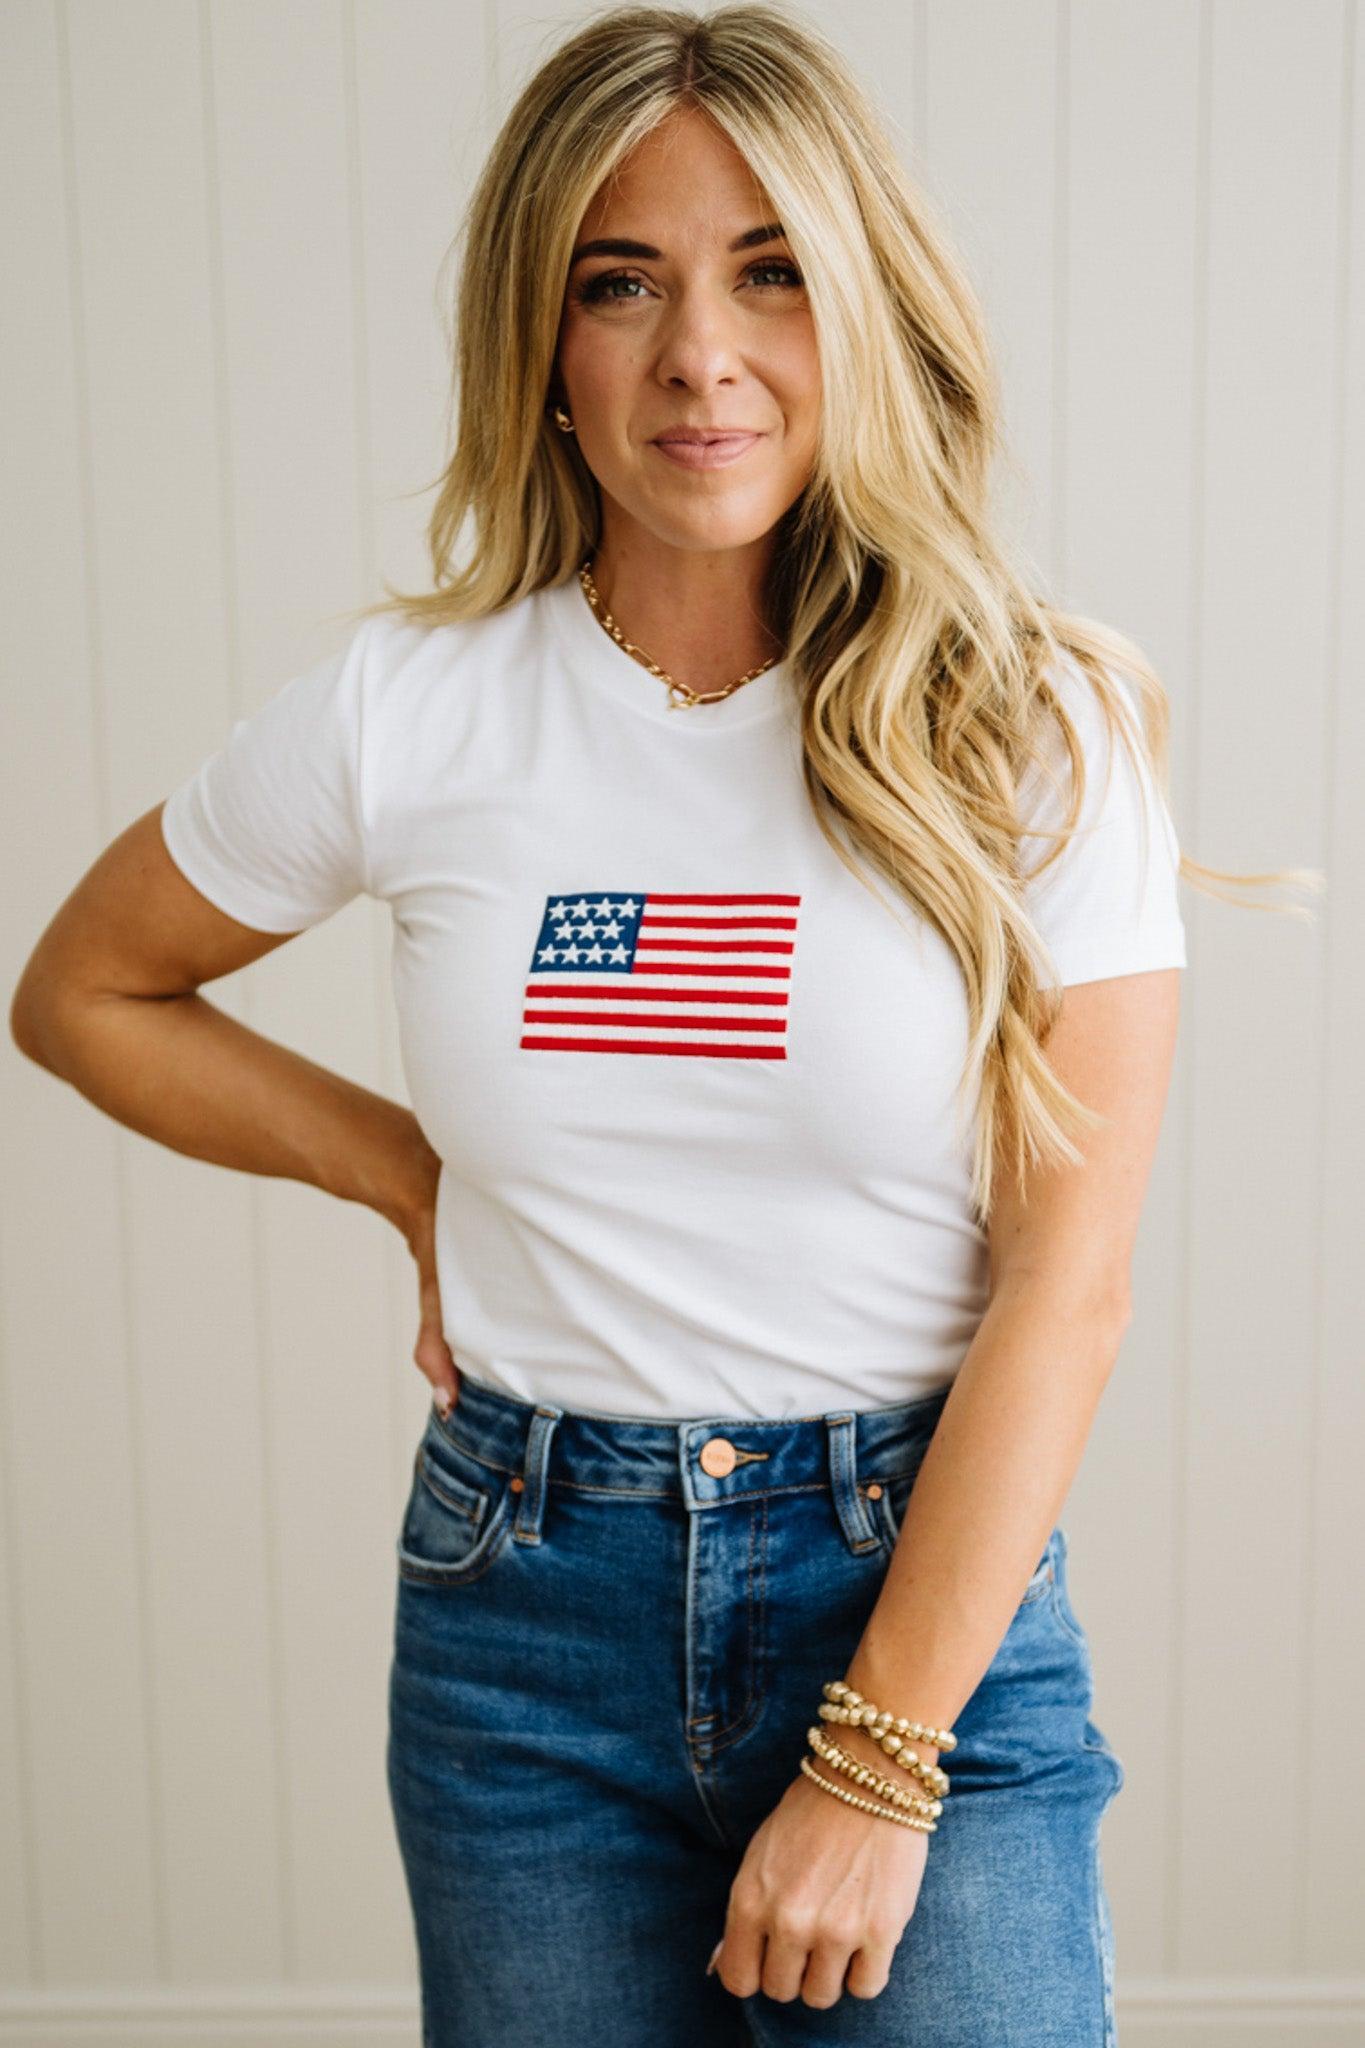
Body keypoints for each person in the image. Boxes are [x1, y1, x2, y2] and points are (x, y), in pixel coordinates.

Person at [12, 4, 1288, 2041]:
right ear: (541, 343)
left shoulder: (1028, 723)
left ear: (860, 306)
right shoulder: (407, 716)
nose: (700, 350)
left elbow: (1069, 1277)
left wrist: (872, 1760)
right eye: (623, 283)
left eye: (769, 268)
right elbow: (80, 989)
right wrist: (409, 1176)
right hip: (524, 1623)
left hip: (912, 1593)